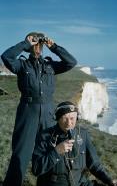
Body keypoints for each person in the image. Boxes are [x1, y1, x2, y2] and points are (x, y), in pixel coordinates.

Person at [1, 32, 77, 186]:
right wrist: (25, 43)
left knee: (49, 152)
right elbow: (6, 57)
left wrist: (53, 46)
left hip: (48, 114)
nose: (37, 46)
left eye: (39, 43)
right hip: (27, 113)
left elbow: (71, 62)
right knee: (21, 154)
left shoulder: (50, 65)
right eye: (34, 43)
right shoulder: (22, 65)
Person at [32, 101, 117, 186]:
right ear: (58, 118)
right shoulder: (45, 136)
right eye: (64, 118)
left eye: (72, 118)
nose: (69, 123)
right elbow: (36, 169)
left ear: (77, 118)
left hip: (80, 183)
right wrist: (56, 152)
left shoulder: (83, 134)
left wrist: (109, 180)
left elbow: (94, 164)